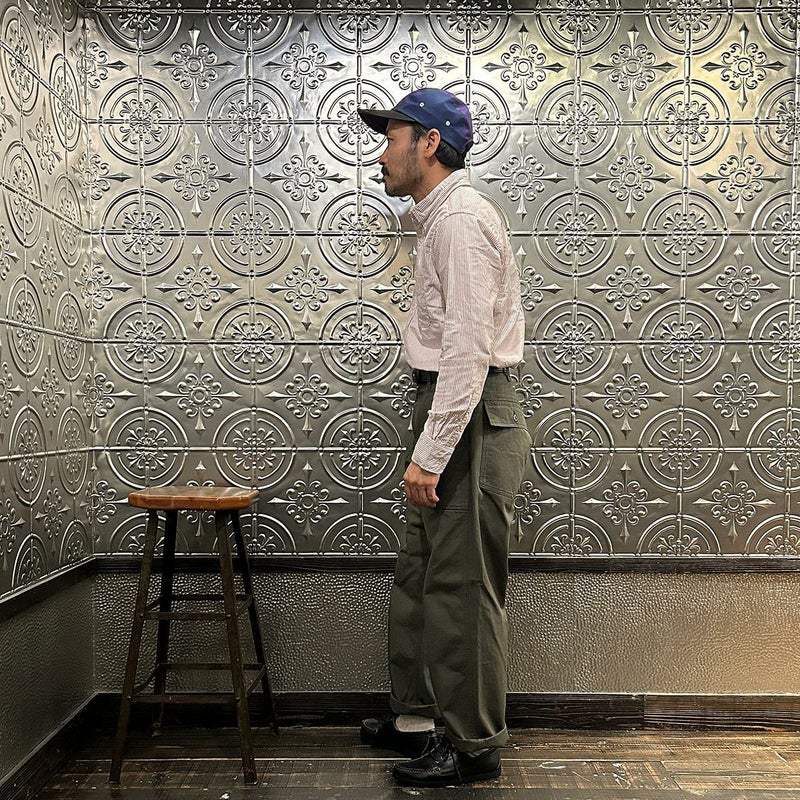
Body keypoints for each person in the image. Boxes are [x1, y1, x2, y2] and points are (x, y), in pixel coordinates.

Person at [356, 88, 531, 788]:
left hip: (469, 414)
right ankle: (419, 720)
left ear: (428, 143)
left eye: (391, 136)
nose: (381, 152)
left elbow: (467, 351)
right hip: (450, 408)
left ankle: (473, 746)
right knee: (421, 575)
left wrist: (430, 455)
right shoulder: (439, 219)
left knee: (461, 588)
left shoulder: (459, 221)